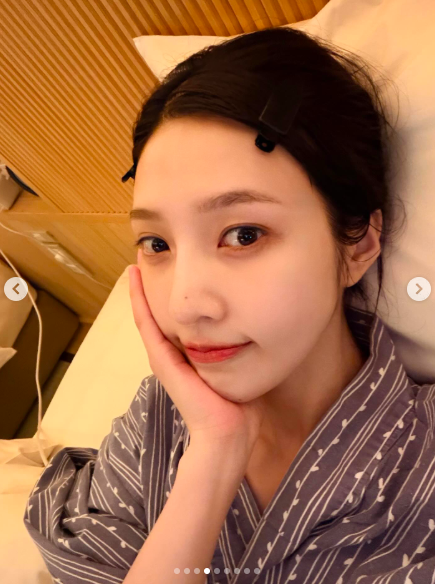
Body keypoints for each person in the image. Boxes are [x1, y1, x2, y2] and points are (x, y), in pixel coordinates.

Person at [24, 26, 435, 584]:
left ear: (359, 242)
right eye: (157, 244)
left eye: (244, 235)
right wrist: (214, 453)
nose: (184, 305)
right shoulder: (158, 417)